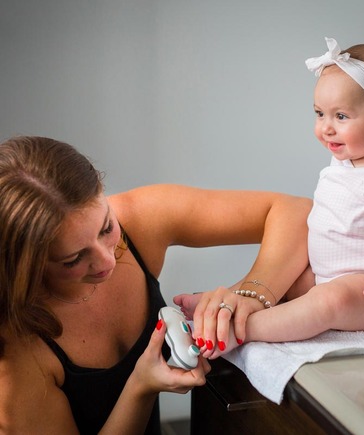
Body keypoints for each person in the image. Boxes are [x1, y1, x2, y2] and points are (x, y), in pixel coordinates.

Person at [0, 135, 311, 434]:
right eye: (74, 259)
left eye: (107, 227)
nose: (108, 261)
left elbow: (295, 211)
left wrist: (251, 294)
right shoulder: (15, 354)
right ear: (25, 264)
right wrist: (141, 387)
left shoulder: (136, 218)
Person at [175, 37, 364, 359]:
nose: (326, 128)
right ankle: (229, 304)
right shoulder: (345, 162)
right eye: (320, 113)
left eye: (341, 117)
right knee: (285, 279)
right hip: (324, 275)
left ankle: (242, 329)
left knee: (328, 302)